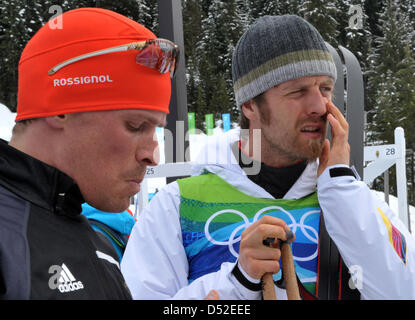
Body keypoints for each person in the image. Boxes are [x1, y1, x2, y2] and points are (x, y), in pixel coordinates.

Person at [121, 15, 415, 300]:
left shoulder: (353, 199)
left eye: (325, 88)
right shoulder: (178, 206)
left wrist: (341, 188)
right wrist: (238, 281)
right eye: (298, 91)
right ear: (250, 105)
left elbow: (404, 292)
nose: (319, 106)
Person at [0, 7, 177, 299]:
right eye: (135, 125)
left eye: (155, 129)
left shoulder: (99, 246)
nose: (152, 156)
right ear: (62, 110)